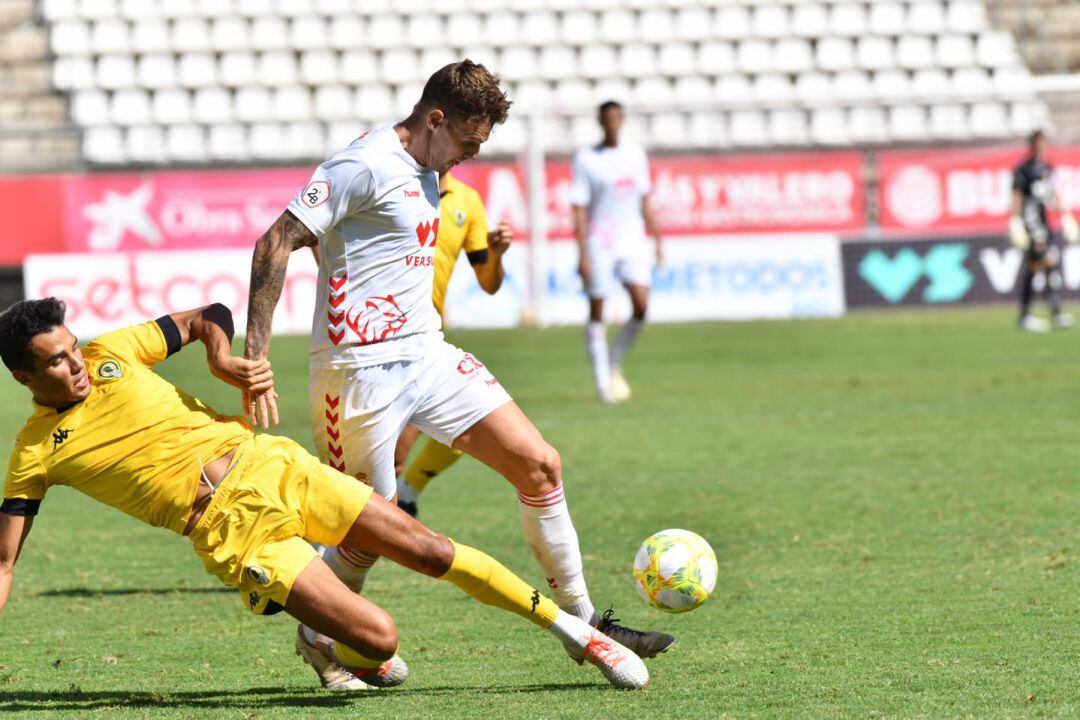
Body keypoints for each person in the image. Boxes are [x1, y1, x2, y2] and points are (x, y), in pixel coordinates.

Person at [242, 61, 673, 689]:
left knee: (540, 464)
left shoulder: (432, 172)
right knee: (369, 534)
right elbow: (275, 241)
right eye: (469, 143)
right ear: (435, 120)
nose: (470, 158)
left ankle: (587, 623)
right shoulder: (361, 165)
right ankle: (317, 633)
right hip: (355, 375)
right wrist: (256, 356)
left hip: (427, 354)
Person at [0, 298, 649, 691]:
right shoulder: (33, 455)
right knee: (382, 640)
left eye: (71, 349)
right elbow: (6, 561)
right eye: (55, 362)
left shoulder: (111, 350)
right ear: (26, 376)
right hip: (232, 533)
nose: (75, 363)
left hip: (272, 464)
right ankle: (322, 641)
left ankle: (577, 633)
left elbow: (206, 317)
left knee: (425, 549)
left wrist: (222, 358)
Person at [395, 170, 512, 517]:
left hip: (428, 339)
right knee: (392, 456)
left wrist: (497, 254)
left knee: (471, 418)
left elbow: (489, 283)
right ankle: (344, 537)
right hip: (384, 339)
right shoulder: (396, 187)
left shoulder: (467, 201)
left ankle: (406, 493)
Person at [571, 101, 663, 404]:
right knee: (597, 308)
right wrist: (582, 252)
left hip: (631, 238)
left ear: (621, 120)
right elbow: (580, 208)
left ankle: (612, 361)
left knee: (641, 305)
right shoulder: (586, 159)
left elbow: (643, 198)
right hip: (601, 239)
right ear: (601, 121)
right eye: (606, 119)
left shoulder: (635, 154)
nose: (611, 123)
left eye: (615, 118)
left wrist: (657, 237)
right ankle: (602, 382)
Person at [1010, 130, 1079, 332]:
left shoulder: (1048, 168)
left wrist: (1066, 216)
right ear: (1031, 146)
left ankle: (1027, 315)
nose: (1041, 148)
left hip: (1044, 223)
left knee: (1034, 268)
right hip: (1031, 223)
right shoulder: (1022, 170)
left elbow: (1055, 193)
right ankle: (1054, 313)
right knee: (1048, 262)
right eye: (1038, 144)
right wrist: (1015, 221)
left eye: (1044, 144)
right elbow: (1017, 195)